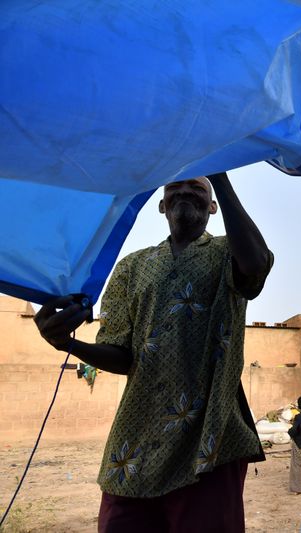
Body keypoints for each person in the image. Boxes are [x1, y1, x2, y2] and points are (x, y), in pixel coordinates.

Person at [34, 174, 272, 532]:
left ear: (212, 207)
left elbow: (255, 266)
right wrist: (67, 343)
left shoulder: (229, 252)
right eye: (175, 186)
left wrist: (219, 172)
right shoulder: (131, 267)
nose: (185, 189)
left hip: (210, 440)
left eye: (198, 187)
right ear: (162, 205)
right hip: (134, 438)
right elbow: (120, 354)